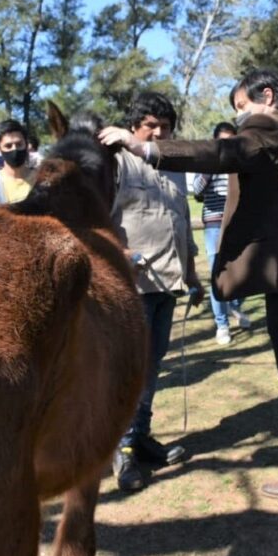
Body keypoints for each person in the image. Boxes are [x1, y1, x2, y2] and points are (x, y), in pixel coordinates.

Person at [100, 69, 278, 501]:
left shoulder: (270, 126)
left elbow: (222, 152)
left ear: (266, 96)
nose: (241, 119)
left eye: (241, 108)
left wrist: (145, 148)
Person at [106, 92, 204, 492]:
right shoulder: (115, 162)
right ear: (134, 127)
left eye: (166, 127)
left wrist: (193, 274)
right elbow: (98, 218)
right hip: (132, 286)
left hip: (170, 280)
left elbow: (180, 219)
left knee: (152, 366)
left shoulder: (174, 163)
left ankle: (141, 436)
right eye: (151, 126)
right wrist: (122, 252)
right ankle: (122, 449)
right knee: (130, 369)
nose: (159, 133)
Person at [191, 122, 250, 345]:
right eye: (223, 140)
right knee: (218, 275)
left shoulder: (242, 163)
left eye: (232, 139)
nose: (228, 144)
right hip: (215, 226)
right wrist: (214, 167)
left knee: (244, 274)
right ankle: (222, 324)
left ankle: (235, 306)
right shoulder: (208, 162)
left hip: (240, 224)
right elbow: (196, 190)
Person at [0, 120, 38, 204]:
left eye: (19, 144)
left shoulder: (41, 181)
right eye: (8, 146)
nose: (14, 149)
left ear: (26, 146)